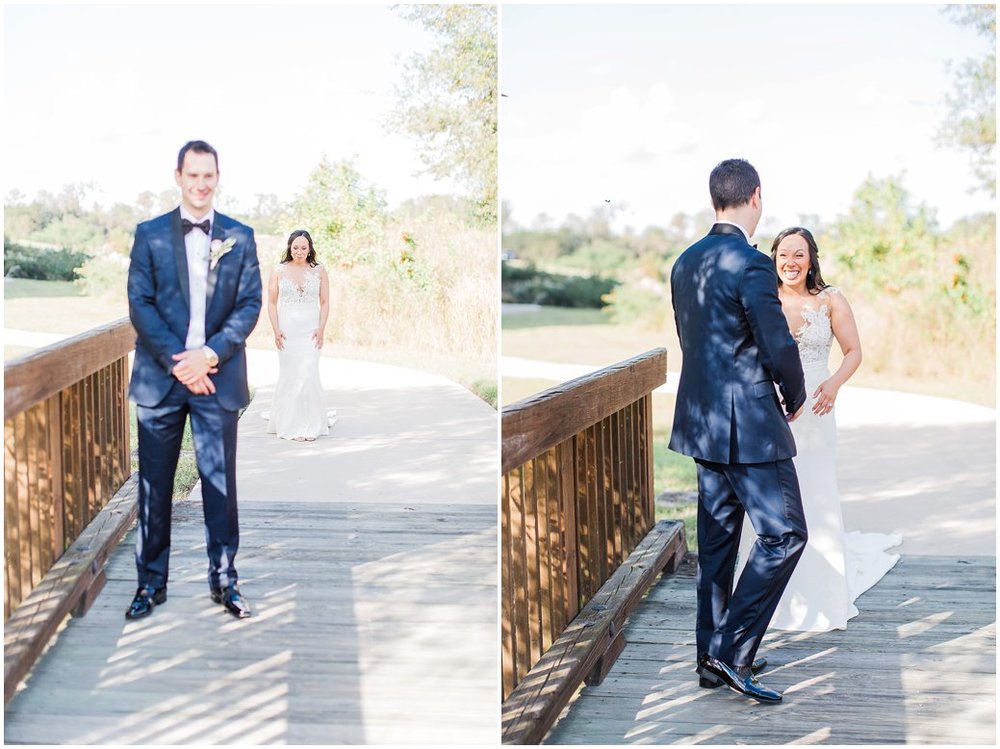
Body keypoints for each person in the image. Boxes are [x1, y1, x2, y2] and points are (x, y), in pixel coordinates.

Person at [668, 158, 808, 704]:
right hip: (749, 423)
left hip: (703, 421)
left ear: (713, 200)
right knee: (786, 534)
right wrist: (794, 398)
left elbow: (692, 340)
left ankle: (710, 658)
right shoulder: (752, 265)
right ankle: (729, 651)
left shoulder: (684, 262)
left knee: (719, 545)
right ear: (756, 196)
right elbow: (777, 345)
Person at [735, 227, 901, 631]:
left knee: (813, 491)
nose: (790, 262)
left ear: (811, 260)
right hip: (767, 409)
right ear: (773, 258)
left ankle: (822, 590)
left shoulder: (830, 300)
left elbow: (853, 351)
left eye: (799, 254)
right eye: (783, 254)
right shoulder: (762, 298)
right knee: (767, 496)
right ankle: (759, 592)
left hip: (816, 409)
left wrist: (833, 383)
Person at [126, 140, 261, 620]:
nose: (201, 184)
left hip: (217, 380)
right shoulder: (149, 234)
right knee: (154, 487)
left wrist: (208, 356)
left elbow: (250, 306)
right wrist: (180, 362)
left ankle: (225, 583)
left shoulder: (240, 237)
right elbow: (139, 304)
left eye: (209, 176)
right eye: (193, 175)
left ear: (217, 177)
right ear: (178, 176)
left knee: (220, 487)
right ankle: (149, 585)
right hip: (161, 381)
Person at [265, 229, 336, 441]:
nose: (299, 251)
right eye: (295, 247)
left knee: (308, 373)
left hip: (311, 330)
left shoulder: (319, 270)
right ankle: (291, 424)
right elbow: (271, 302)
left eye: (303, 247)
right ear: (289, 247)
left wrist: (321, 328)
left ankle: (310, 423)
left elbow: (324, 302)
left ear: (309, 248)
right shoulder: (278, 270)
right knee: (291, 374)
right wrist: (276, 329)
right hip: (287, 330)